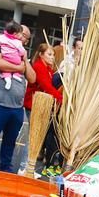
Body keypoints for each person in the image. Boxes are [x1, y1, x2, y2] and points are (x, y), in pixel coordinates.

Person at [0, 24, 34, 172]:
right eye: (20, 33)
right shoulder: (1, 43)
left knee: (10, 141)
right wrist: (18, 68)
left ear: (27, 41)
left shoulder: (23, 53)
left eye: (25, 36)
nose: (21, 36)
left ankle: (6, 168)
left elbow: (32, 78)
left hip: (16, 107)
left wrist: (25, 61)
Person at [23, 41, 62, 172]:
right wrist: (61, 98)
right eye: (49, 54)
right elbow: (47, 87)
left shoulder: (48, 69)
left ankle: (29, 167)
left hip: (40, 105)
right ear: (41, 55)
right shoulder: (39, 67)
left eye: (53, 55)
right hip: (33, 104)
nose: (52, 57)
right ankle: (24, 166)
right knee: (32, 138)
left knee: (35, 137)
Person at [0, 20, 26, 90]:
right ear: (15, 34)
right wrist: (19, 66)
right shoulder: (17, 42)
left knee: (6, 71)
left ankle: (7, 77)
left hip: (5, 57)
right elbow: (21, 51)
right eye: (21, 34)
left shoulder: (1, 38)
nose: (22, 37)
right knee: (8, 68)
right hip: (16, 60)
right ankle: (16, 75)